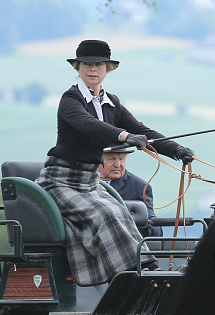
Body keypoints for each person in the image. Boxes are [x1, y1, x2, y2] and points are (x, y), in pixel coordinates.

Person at [35, 39, 194, 285]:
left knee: (121, 210)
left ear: (107, 69)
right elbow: (89, 125)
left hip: (90, 182)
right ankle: (136, 275)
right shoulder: (70, 99)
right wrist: (124, 136)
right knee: (106, 212)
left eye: (98, 64)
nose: (92, 69)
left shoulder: (112, 103)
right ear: (78, 67)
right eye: (86, 64)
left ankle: (147, 267)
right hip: (60, 181)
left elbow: (142, 130)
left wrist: (176, 149)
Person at [98, 150, 163, 237]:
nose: (117, 165)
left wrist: (134, 217)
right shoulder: (80, 182)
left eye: (121, 159)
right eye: (111, 159)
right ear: (97, 159)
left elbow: (155, 232)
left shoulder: (139, 187)